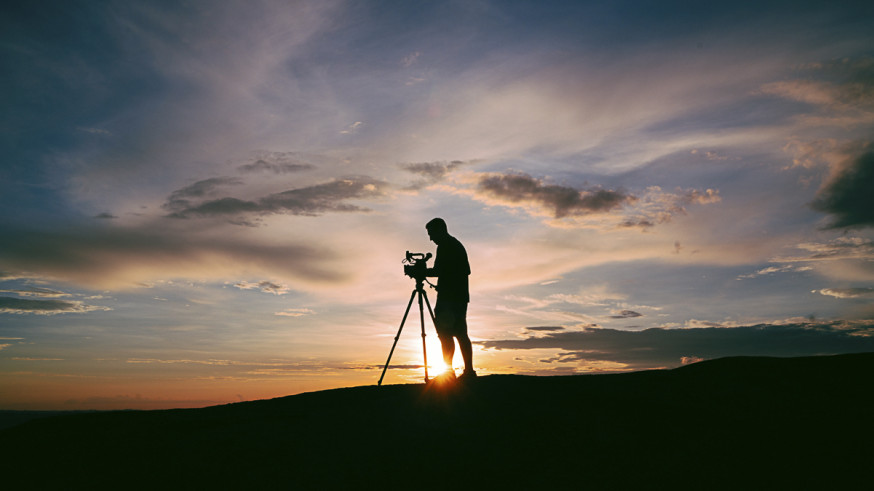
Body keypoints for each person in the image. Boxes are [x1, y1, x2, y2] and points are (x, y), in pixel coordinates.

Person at [424, 218, 476, 381]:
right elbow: (447, 270)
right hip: (455, 296)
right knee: (454, 334)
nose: (431, 238)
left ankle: (457, 372)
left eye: (431, 234)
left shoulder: (448, 246)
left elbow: (450, 270)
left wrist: (422, 272)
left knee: (452, 334)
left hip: (451, 298)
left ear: (440, 230)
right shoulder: (451, 245)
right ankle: (458, 371)